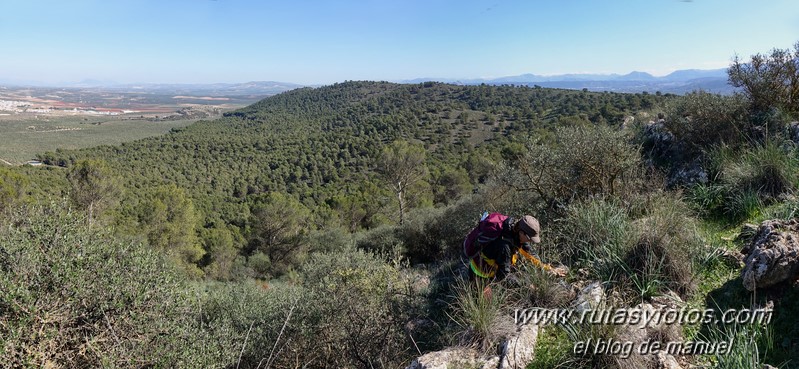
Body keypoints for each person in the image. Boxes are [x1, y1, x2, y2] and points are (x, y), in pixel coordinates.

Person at [466, 214, 565, 282]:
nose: (530, 241)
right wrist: (526, 285)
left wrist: (549, 269)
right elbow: (504, 275)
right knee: (482, 300)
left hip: (494, 266)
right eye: (530, 239)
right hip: (480, 273)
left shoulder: (514, 231)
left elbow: (530, 254)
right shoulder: (504, 246)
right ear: (521, 232)